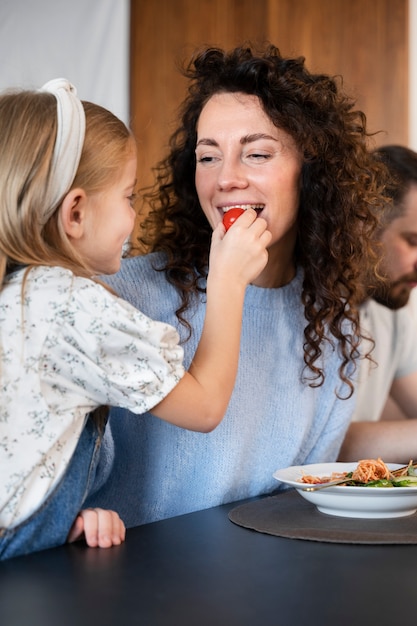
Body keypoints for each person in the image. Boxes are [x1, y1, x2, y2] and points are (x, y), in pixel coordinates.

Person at [87, 43, 387, 528]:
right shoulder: (122, 293)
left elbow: (300, 502)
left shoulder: (334, 331)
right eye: (208, 157)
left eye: (257, 153)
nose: (226, 178)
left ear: (310, 173)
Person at [0, 78, 271, 560]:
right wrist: (228, 282)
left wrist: (55, 520)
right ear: (76, 213)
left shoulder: (20, 294)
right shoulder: (75, 307)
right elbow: (204, 408)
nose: (134, 217)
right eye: (128, 197)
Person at [339, 144, 417, 463]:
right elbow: (320, 442)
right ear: (365, 226)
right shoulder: (308, 304)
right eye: (412, 241)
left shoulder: (393, 305)